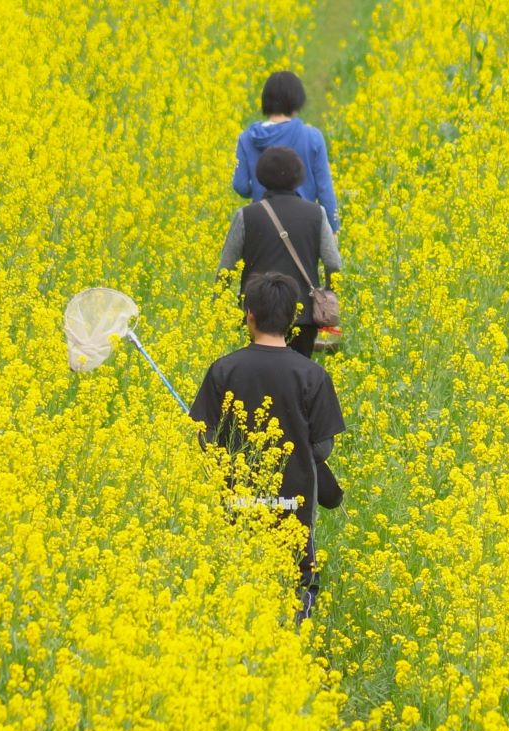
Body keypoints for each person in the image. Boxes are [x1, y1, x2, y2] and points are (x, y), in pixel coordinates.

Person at [189, 272, 345, 622]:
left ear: (249, 315)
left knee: (237, 575)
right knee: (296, 578)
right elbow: (323, 445)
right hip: (295, 503)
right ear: (292, 321)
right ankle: (293, 642)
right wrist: (293, 459)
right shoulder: (312, 375)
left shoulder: (223, 370)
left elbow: (205, 437)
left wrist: (238, 458)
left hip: (236, 501)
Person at [220, 146, 341, 357]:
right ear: (299, 177)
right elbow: (333, 263)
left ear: (261, 177)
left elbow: (226, 267)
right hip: (301, 314)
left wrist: (217, 305)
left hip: (257, 313)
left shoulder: (246, 215)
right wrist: (329, 291)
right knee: (299, 379)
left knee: (257, 380)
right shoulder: (316, 214)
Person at [232, 70, 341, 234]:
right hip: (303, 228)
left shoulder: (247, 138)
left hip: (263, 226)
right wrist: (332, 230)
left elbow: (240, 186)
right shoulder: (312, 137)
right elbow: (324, 189)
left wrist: (257, 187)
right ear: (297, 100)